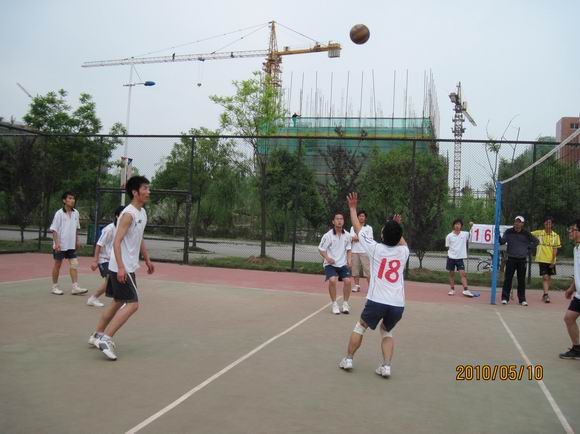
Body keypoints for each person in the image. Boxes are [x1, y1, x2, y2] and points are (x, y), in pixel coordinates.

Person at [338, 193, 409, 378]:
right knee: (387, 331)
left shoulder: (375, 249)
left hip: (377, 300)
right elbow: (400, 239)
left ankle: (348, 359)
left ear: (382, 234)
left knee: (360, 327)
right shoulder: (404, 252)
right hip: (397, 304)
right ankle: (386, 366)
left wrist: (353, 208)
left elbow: (357, 227)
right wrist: (396, 226)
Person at [88, 176, 154, 360]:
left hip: (126, 265)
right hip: (121, 266)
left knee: (118, 301)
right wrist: (122, 268)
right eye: (145, 188)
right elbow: (117, 242)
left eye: (148, 188)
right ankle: (106, 339)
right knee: (133, 304)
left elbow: (139, 238)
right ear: (135, 192)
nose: (148, 191)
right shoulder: (128, 214)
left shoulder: (142, 213)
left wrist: (147, 259)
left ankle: (97, 335)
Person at [49, 191, 88, 296]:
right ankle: (54, 287)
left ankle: (75, 287)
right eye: (70, 198)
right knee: (58, 264)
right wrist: (57, 243)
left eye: (73, 198)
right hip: (60, 244)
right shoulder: (59, 213)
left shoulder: (76, 213)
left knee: (74, 264)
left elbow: (76, 228)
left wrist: (77, 240)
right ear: (64, 200)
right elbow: (54, 229)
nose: (72, 200)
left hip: (71, 245)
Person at [87, 206, 125, 307]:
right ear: (117, 216)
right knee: (110, 280)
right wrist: (95, 260)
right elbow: (99, 244)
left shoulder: (123, 229)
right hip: (104, 259)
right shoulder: (109, 229)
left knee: (115, 280)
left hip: (115, 259)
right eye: (122, 214)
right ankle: (93, 298)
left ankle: (118, 300)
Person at [318, 212, 353, 315]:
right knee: (332, 280)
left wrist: (349, 260)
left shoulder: (347, 235)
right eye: (337, 219)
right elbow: (321, 249)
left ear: (343, 221)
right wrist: (327, 258)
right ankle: (334, 304)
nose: (339, 221)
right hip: (330, 264)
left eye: (341, 219)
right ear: (333, 221)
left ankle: (345, 304)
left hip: (342, 263)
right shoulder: (327, 235)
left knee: (348, 281)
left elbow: (349, 249)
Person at [500, 216, 538, 306]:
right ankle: (505, 298)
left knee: (521, 280)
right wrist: (498, 236)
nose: (517, 223)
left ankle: (522, 299)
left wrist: (528, 248)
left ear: (522, 224)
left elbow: (536, 241)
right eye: (516, 221)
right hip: (511, 258)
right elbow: (502, 241)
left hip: (522, 260)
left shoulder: (526, 233)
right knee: (508, 279)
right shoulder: (508, 231)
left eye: (519, 222)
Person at [559, 219, 580, 360]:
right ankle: (577, 349)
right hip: (579, 295)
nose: (570, 232)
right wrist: (571, 288)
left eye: (573, 229)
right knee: (569, 318)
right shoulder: (576, 249)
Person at [531, 216, 561, 303]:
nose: (548, 225)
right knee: (545, 277)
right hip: (542, 258)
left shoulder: (555, 236)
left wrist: (553, 260)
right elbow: (528, 234)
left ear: (552, 225)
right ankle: (546, 295)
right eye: (546, 223)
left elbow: (555, 249)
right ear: (544, 224)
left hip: (551, 259)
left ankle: (545, 292)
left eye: (549, 223)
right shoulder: (539, 233)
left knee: (548, 277)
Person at [445, 219, 474, 297]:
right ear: (453, 226)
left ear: (461, 226)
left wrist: (471, 226)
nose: (457, 226)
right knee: (451, 274)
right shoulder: (449, 236)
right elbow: (447, 246)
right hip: (451, 257)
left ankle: (466, 290)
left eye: (459, 224)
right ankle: (452, 289)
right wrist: (452, 253)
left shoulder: (465, 234)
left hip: (460, 258)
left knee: (463, 274)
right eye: (456, 224)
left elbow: (472, 233)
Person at [349, 210, 373, 293]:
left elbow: (369, 239)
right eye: (360, 216)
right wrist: (360, 238)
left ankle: (371, 287)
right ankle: (357, 286)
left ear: (365, 218)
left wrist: (357, 238)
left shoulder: (369, 228)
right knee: (355, 270)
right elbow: (351, 238)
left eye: (363, 216)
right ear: (357, 217)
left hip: (365, 251)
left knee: (367, 270)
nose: (361, 217)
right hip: (354, 251)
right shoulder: (352, 227)